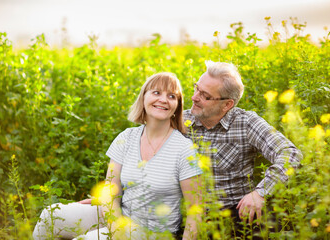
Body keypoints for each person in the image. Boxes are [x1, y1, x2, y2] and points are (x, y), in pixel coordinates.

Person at [33, 72, 203, 240]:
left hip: (153, 234)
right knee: (51, 216)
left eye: (172, 96)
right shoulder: (126, 138)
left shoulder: (184, 149)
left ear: (177, 106)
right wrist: (116, 227)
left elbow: (196, 209)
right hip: (120, 218)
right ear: (143, 98)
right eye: (156, 92)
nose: (163, 100)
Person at [183, 60, 302, 234]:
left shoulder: (245, 122)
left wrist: (260, 193)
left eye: (205, 96)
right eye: (196, 88)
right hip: (189, 216)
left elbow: (290, 153)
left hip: (235, 217)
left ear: (227, 104)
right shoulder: (180, 121)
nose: (194, 97)